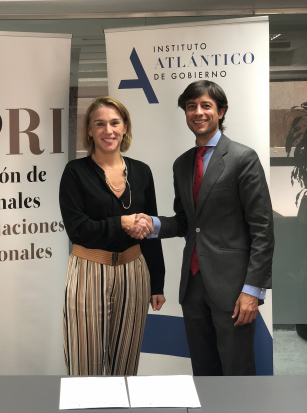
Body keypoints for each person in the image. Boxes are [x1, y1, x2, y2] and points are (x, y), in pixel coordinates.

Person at [127, 81, 274, 376]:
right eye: (191, 106)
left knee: (237, 373)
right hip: (193, 287)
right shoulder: (182, 164)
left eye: (206, 105)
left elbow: (262, 228)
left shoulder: (243, 158)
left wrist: (252, 290)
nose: (198, 112)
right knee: (204, 373)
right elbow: (186, 222)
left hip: (234, 288)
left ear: (221, 111)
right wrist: (153, 224)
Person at [59, 96, 165, 376]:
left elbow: (151, 231)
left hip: (134, 272)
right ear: (89, 130)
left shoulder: (142, 172)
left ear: (125, 127)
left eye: (115, 123)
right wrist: (120, 223)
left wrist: (157, 283)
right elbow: (78, 230)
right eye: (100, 124)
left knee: (126, 367)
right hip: (89, 271)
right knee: (85, 366)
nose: (108, 130)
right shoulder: (75, 173)